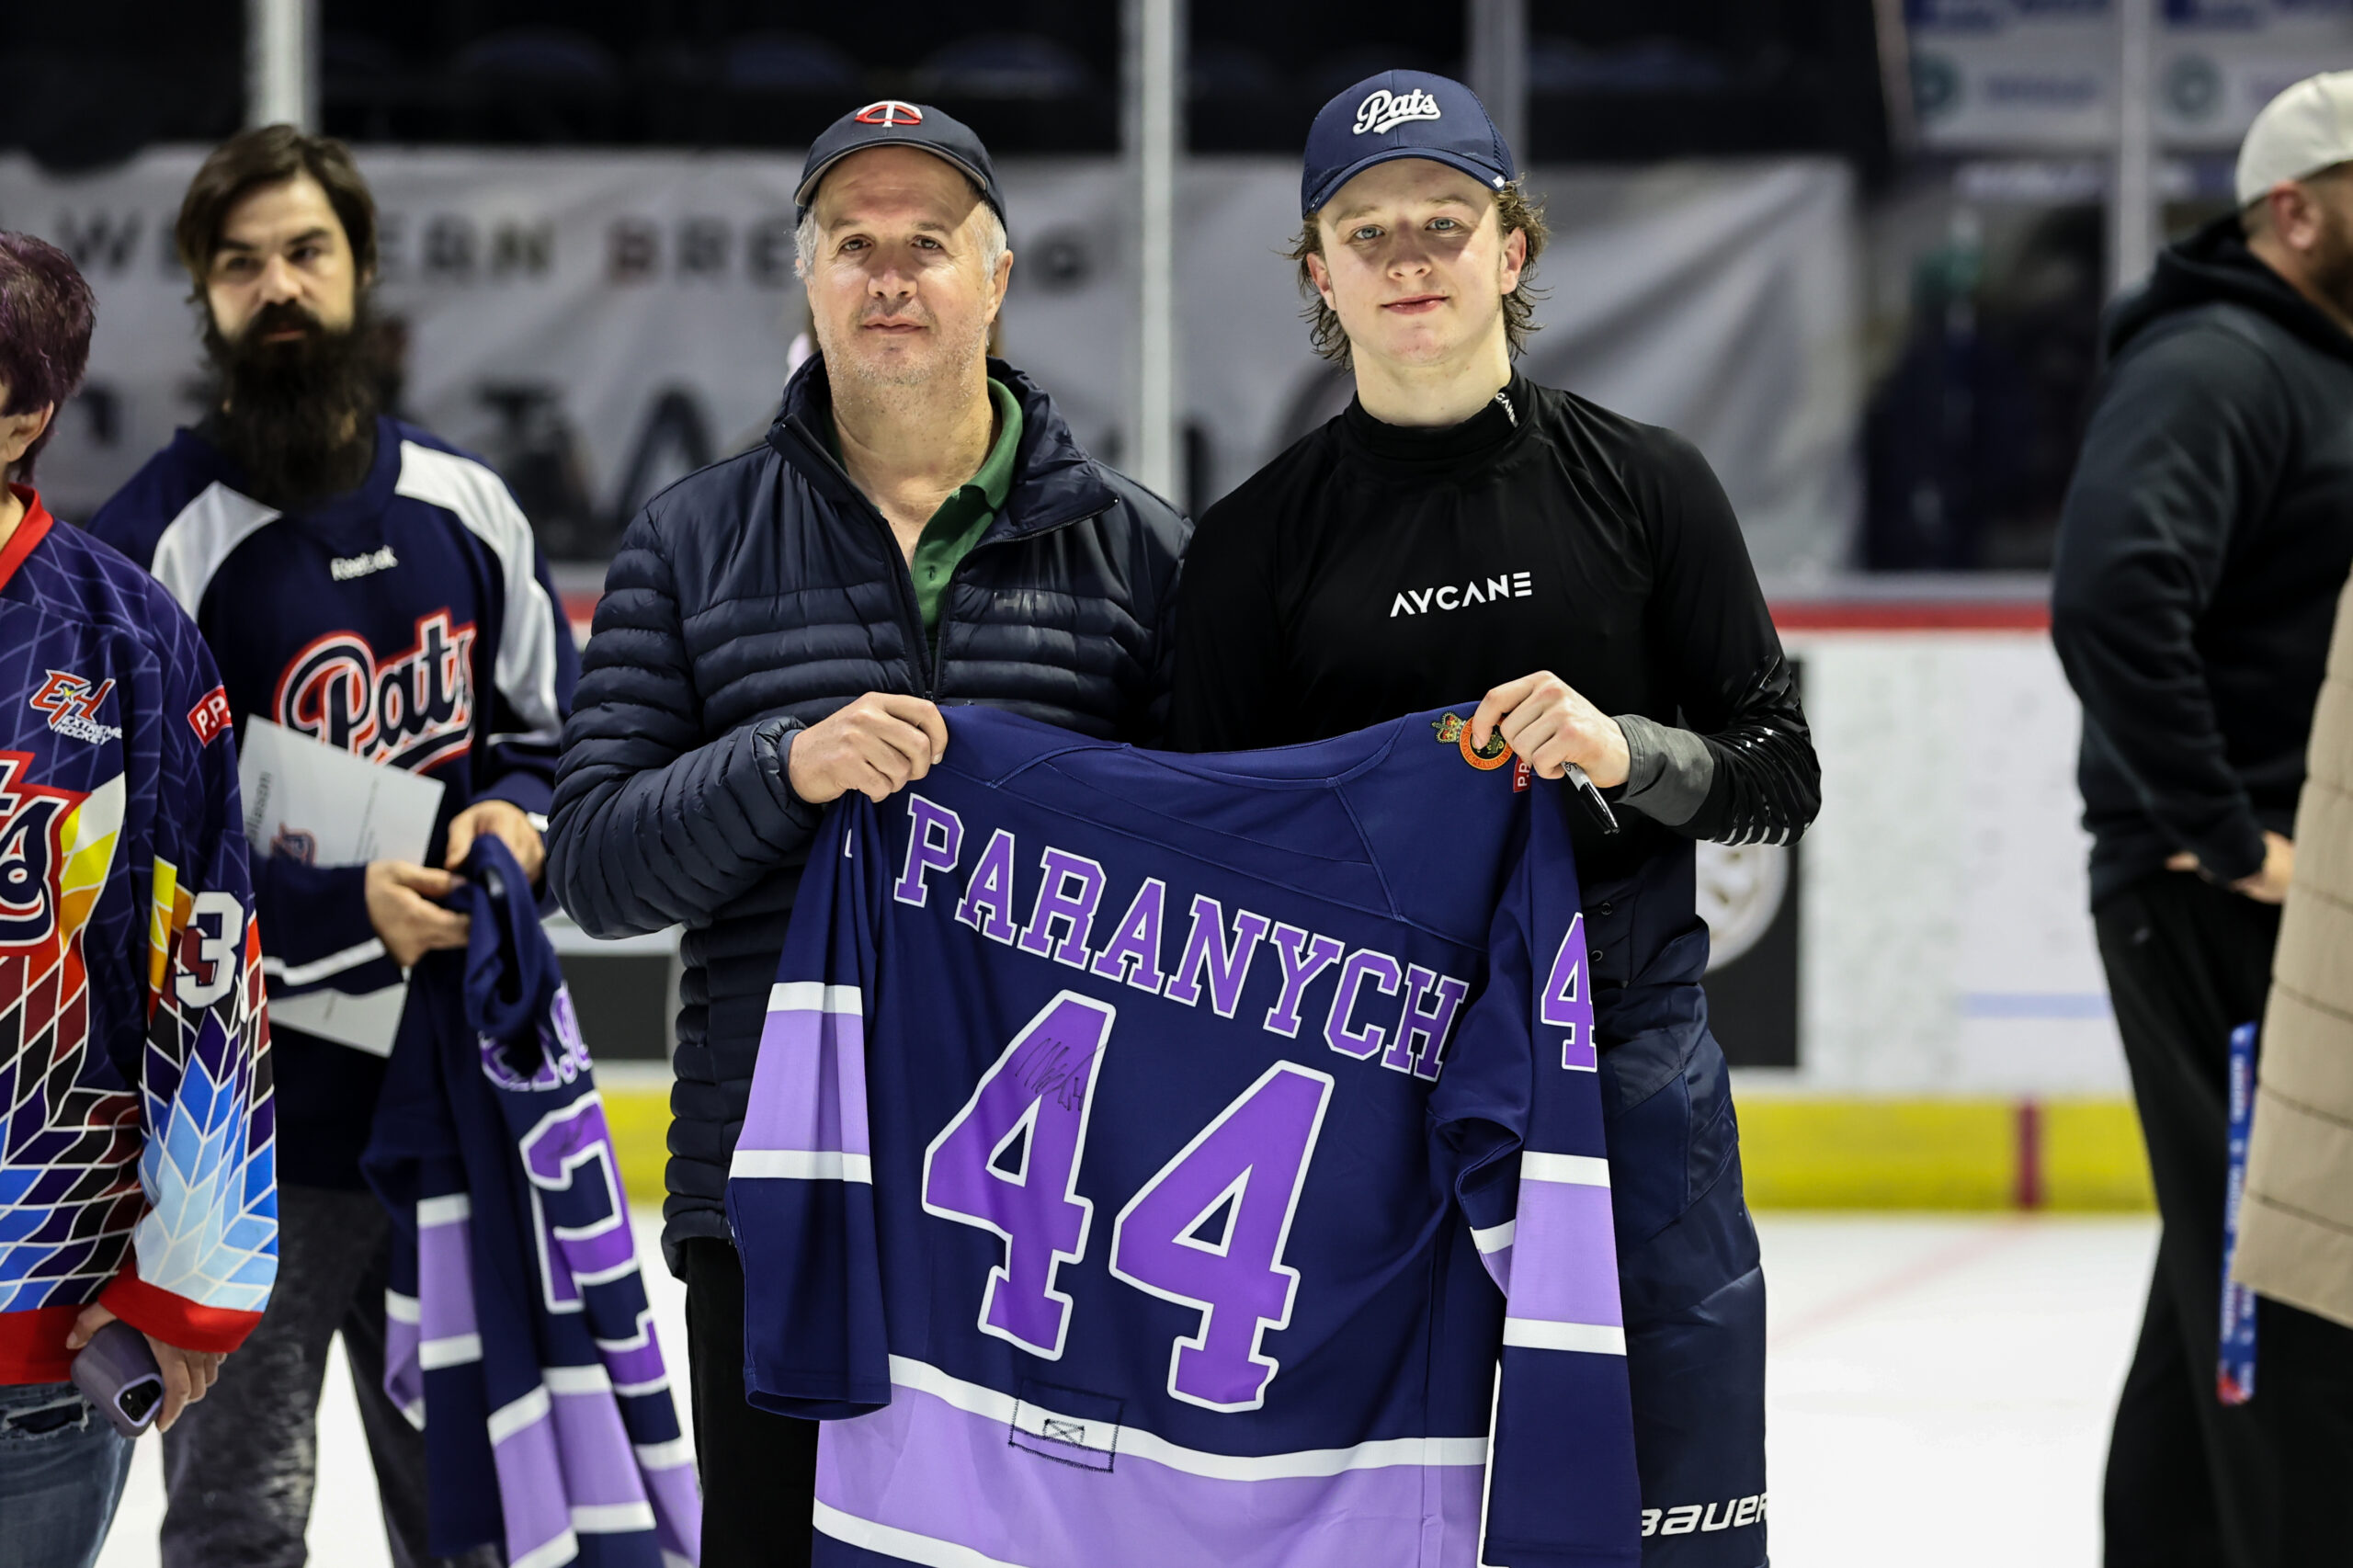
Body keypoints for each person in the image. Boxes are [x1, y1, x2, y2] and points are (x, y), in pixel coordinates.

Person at [1166, 72, 1817, 1566]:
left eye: (1444, 223)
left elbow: (1779, 769)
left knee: (1671, 1492)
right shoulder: (1253, 547)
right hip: (1361, 1073)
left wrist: (1623, 748)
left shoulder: (1649, 487)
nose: (1409, 258)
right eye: (1367, 231)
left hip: (1625, 1052)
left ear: (1510, 249)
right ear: (1319, 273)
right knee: (1372, 1505)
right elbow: (1211, 854)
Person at [547, 100, 1187, 1567]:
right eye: (854, 244)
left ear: (998, 275)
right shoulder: (689, 541)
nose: (889, 275)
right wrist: (782, 766)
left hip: (1049, 1209)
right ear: (809, 275)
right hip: (776, 1196)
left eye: (927, 243)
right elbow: (592, 867)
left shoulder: (1140, 553)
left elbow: (1215, 871)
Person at [83, 127, 574, 1568]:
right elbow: (116, 863)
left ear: (361, 268)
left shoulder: (468, 505)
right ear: (205, 296)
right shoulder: (153, 544)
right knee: (237, 1524)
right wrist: (337, 906)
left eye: (307, 251)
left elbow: (553, 736)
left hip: (453, 1106)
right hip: (240, 1142)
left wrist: (518, 814)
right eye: (241, 265)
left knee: (475, 1520)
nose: (278, 286)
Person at [2050, 70, 2353, 1568]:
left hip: (2287, 908)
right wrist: (2228, 836)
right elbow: (2113, 592)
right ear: (2293, 209)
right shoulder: (2219, 364)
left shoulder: (2311, 369)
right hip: (2227, 906)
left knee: (2228, 1279)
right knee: (2283, 1287)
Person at [0, 232, 273, 1568]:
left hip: (32, 1345)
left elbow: (207, 954)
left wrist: (191, 1277)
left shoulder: (127, 641)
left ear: (26, 412)